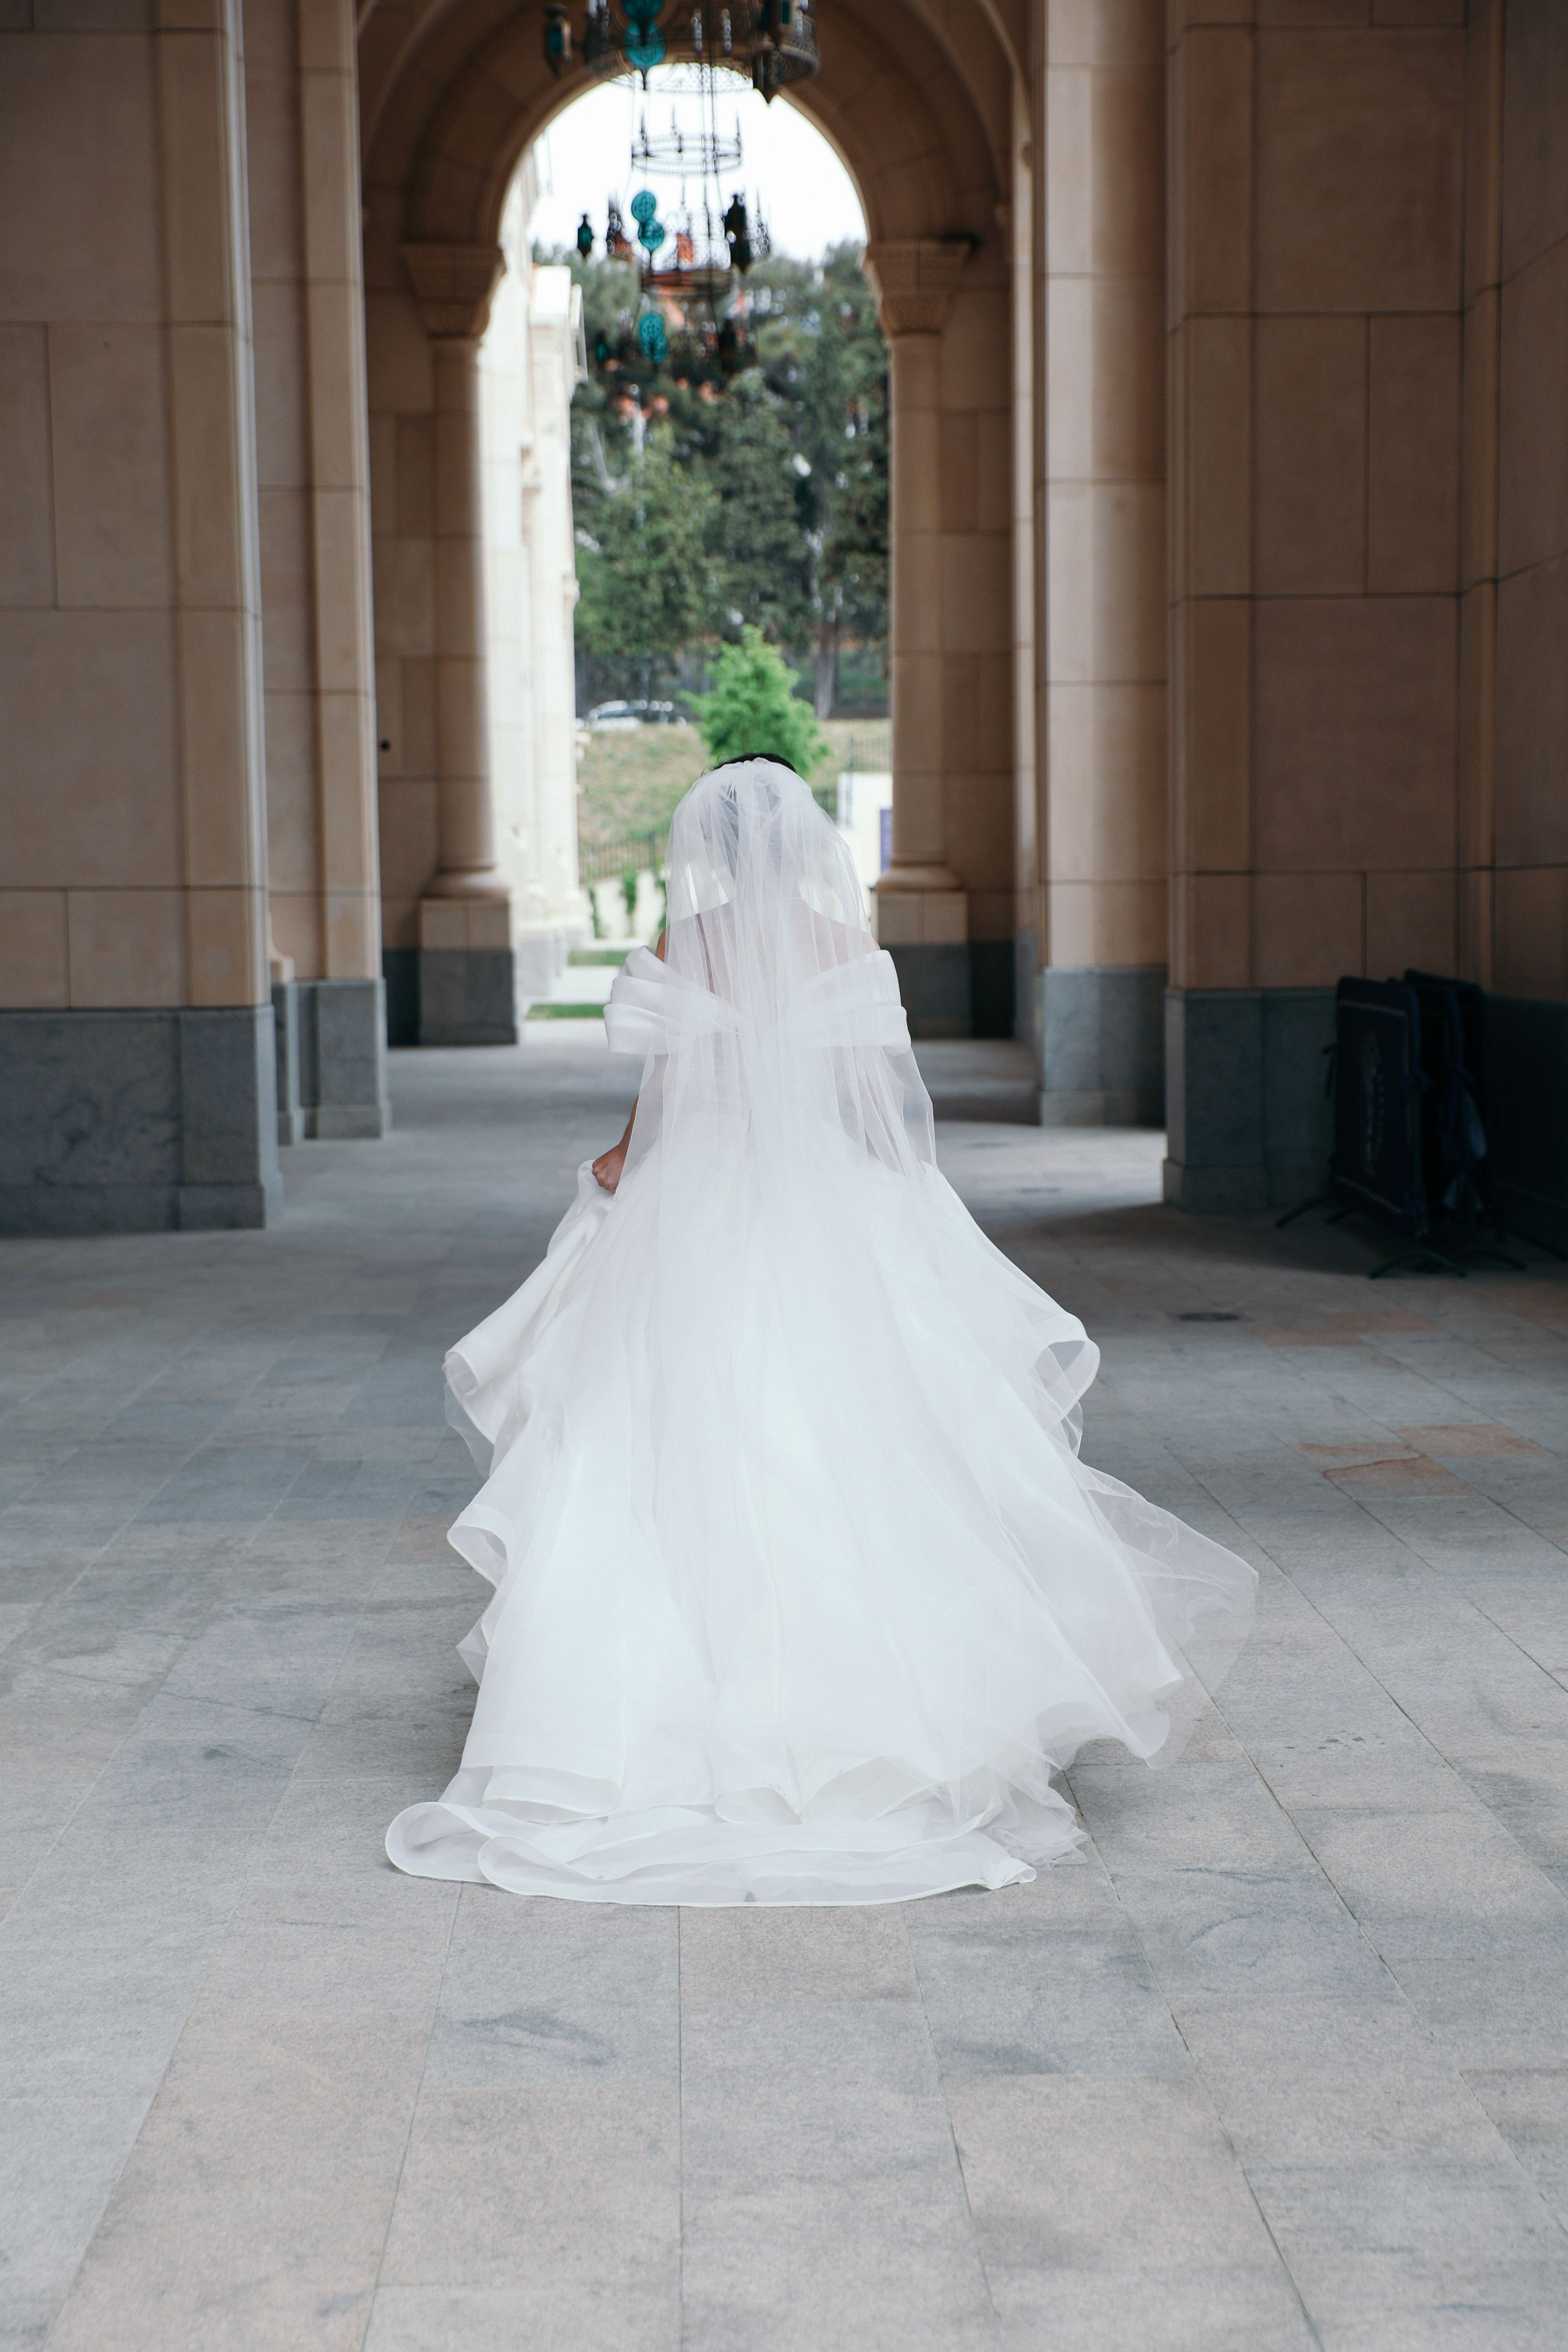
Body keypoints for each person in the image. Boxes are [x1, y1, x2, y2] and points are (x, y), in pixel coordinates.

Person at [386, 758, 1255, 1905]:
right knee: (859, 1442)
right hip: (823, 1202)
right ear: (802, 848)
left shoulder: (687, 942)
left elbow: (663, 1093)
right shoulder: (848, 950)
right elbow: (876, 1105)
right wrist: (897, 1206)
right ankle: (877, 1728)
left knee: (660, 1445)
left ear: (713, 849)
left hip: (695, 1202)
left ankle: (638, 1726)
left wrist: (622, 1168)